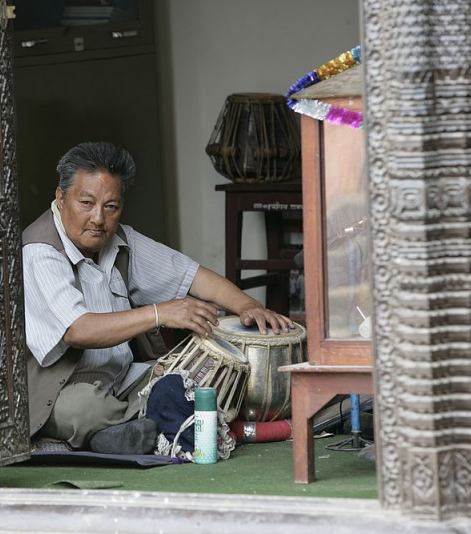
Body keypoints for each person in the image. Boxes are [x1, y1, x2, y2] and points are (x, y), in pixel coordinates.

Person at [23, 142, 293, 454]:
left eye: (110, 207)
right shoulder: (40, 252)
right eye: (86, 203)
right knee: (85, 409)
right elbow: (77, 330)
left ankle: (124, 433)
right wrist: (159, 314)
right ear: (61, 197)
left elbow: (192, 276)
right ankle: (139, 428)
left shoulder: (120, 241)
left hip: (121, 382)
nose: (98, 219)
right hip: (57, 394)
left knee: (193, 380)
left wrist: (249, 306)